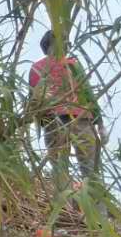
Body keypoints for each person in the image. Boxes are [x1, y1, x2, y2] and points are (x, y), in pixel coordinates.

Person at [27, 31, 102, 187]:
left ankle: (65, 208)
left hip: (54, 120)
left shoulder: (38, 67)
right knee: (90, 169)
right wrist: (99, 122)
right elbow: (87, 93)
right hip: (79, 120)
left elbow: (35, 102)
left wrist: (43, 123)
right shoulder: (72, 63)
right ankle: (96, 209)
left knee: (60, 169)